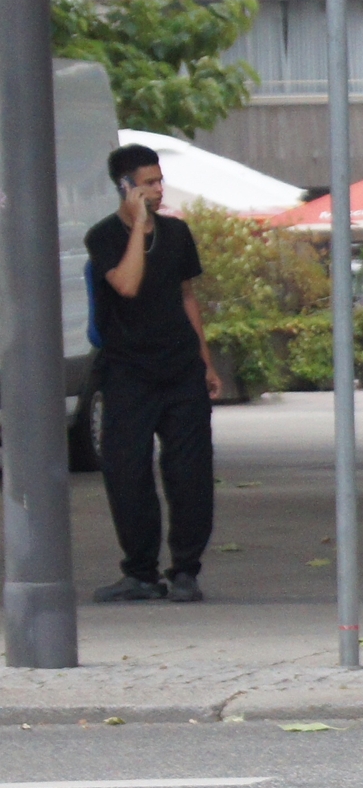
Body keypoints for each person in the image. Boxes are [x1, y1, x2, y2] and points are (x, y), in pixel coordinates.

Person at [86, 143, 220, 602]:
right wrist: (139, 227)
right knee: (127, 470)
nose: (158, 190)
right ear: (124, 187)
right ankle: (140, 572)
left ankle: (185, 568)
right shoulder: (103, 237)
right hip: (128, 370)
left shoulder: (178, 234)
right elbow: (126, 283)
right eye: (148, 183)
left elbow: (186, 295)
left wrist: (205, 360)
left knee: (190, 470)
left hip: (180, 367)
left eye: (160, 181)